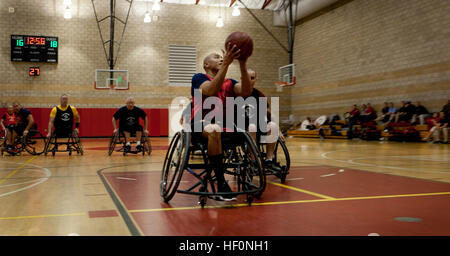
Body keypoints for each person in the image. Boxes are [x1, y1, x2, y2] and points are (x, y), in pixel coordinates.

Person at [189, 43, 251, 201]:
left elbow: (246, 92)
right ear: (206, 64)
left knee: (251, 128)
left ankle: (253, 169)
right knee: (213, 128)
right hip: (200, 125)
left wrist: (242, 62)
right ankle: (221, 183)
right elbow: (210, 90)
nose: (221, 59)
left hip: (225, 127)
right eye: (216, 57)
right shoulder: (199, 78)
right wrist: (227, 65)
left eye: (222, 57)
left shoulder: (230, 82)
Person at [244, 68, 285, 171]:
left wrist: (279, 130)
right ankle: (254, 161)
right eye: (247, 78)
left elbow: (269, 113)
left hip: (258, 124)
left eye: (252, 78)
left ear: (255, 80)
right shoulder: (235, 93)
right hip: (243, 128)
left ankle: (269, 159)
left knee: (273, 126)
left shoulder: (259, 95)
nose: (250, 80)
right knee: (252, 127)